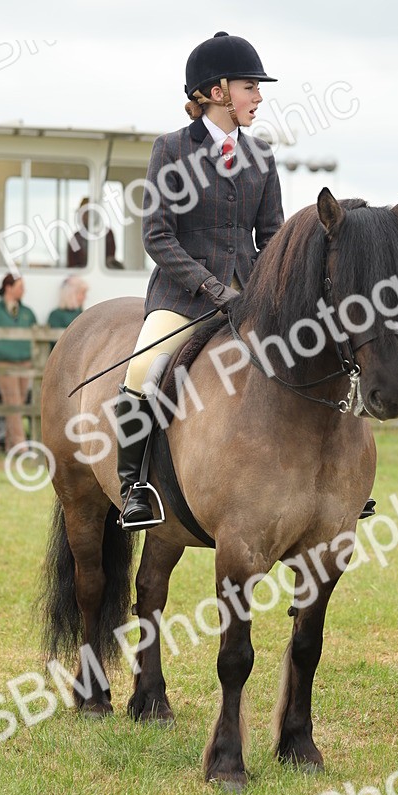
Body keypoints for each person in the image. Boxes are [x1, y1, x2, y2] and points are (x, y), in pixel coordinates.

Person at [116, 31, 284, 530]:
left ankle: (325, 479)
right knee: (143, 370)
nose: (258, 97)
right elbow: (157, 234)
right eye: (250, 87)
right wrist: (212, 288)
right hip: (183, 298)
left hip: (249, 295)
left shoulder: (262, 155)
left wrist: (271, 288)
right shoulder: (171, 149)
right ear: (217, 92)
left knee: (308, 350)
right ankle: (134, 489)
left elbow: (271, 236)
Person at [0, 274, 37, 453]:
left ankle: (10, 445)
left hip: (24, 363)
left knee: (20, 402)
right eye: (20, 287)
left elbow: (36, 334)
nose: (23, 291)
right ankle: (21, 445)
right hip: (4, 363)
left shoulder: (27, 312)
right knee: (13, 402)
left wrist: (30, 353)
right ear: (8, 288)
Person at [67, 198, 122, 269]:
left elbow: (110, 260)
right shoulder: (76, 238)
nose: (83, 216)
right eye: (81, 213)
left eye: (87, 213)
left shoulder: (107, 234)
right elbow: (71, 266)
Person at [47, 276, 88, 349]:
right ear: (71, 294)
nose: (85, 297)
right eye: (82, 293)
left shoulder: (82, 313)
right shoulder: (56, 315)